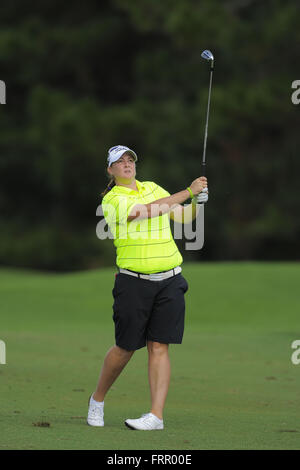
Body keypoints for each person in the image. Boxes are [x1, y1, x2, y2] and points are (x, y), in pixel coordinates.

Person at [87, 145, 208, 430]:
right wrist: (188, 191)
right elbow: (146, 212)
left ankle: (156, 416)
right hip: (133, 282)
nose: (127, 164)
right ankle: (98, 399)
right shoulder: (112, 199)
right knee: (125, 347)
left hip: (170, 279)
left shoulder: (153, 187)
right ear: (110, 169)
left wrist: (197, 203)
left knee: (159, 345)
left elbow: (182, 216)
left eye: (130, 160)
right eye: (120, 161)